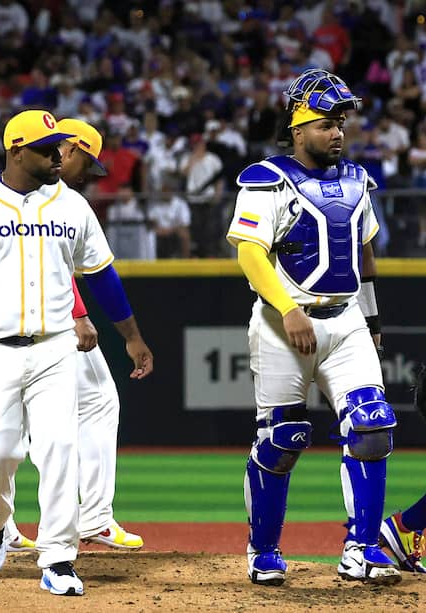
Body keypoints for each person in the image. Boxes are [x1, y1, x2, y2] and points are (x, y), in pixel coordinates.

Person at [0, 110, 153, 597]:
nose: (56, 156)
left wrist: (131, 336)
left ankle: (60, 557)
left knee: (59, 448)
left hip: (54, 348)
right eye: (47, 148)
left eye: (58, 147)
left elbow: (102, 277)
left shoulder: (72, 206)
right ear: (17, 150)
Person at [226, 69, 400, 587]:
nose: (338, 132)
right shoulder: (266, 178)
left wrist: (371, 320)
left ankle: (362, 548)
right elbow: (250, 255)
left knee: (372, 426)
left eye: (341, 122)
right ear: (298, 128)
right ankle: (264, 551)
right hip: (285, 325)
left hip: (344, 321)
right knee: (283, 437)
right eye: (326, 123)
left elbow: (364, 257)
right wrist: (288, 309)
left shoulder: (357, 181)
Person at [2, 117, 147, 554]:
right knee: (93, 403)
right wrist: (80, 315)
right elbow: (69, 271)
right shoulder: (55, 196)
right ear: (70, 149)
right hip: (39, 321)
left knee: (7, 427)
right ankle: (94, 518)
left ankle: (0, 526)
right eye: (87, 160)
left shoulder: (6, 188)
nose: (89, 173)